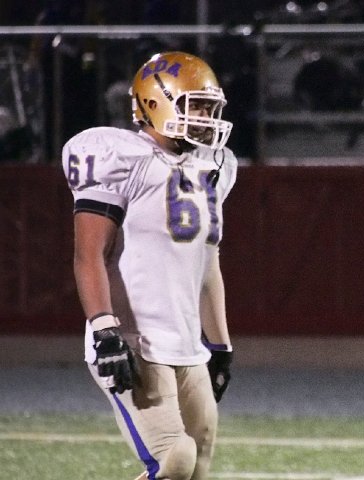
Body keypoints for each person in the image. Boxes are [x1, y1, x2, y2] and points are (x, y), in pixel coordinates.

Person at [61, 51, 237, 480]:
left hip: (185, 341)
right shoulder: (120, 157)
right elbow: (90, 255)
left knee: (198, 467)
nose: (205, 119)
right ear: (156, 103)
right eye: (195, 107)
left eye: (209, 109)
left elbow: (207, 266)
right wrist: (105, 330)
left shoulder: (212, 166)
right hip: (132, 339)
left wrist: (220, 346)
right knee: (175, 459)